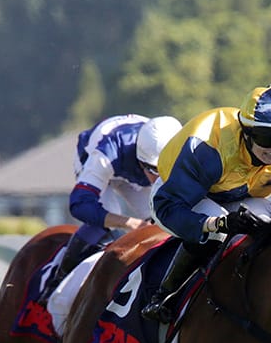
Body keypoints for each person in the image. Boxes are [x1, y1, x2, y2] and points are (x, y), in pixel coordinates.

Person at [140, 85, 271, 323]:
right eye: (267, 138)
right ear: (247, 132)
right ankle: (163, 296)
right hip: (176, 197)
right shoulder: (207, 149)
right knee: (216, 235)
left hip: (235, 194)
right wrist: (218, 223)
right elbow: (168, 208)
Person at [37, 113, 182, 306]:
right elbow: (80, 204)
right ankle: (56, 280)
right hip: (96, 155)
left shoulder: (178, 148)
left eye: (165, 169)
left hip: (132, 164)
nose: (159, 178)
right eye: (153, 170)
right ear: (141, 161)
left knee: (161, 219)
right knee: (102, 221)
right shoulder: (109, 151)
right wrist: (128, 222)